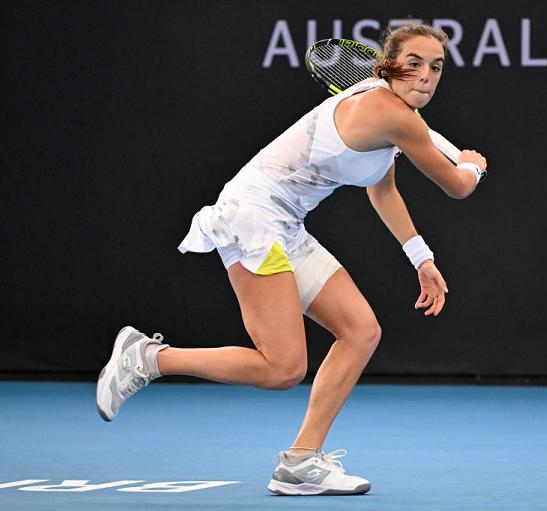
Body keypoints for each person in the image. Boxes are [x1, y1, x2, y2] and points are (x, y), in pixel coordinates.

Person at [96, 23, 487, 496]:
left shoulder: (392, 111)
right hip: (253, 216)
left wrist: (420, 258)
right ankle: (150, 359)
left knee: (361, 331)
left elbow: (382, 188)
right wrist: (471, 164)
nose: (426, 75)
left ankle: (301, 462)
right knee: (282, 369)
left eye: (436, 67)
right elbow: (458, 186)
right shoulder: (394, 115)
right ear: (387, 65)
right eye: (414, 63)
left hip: (286, 224)